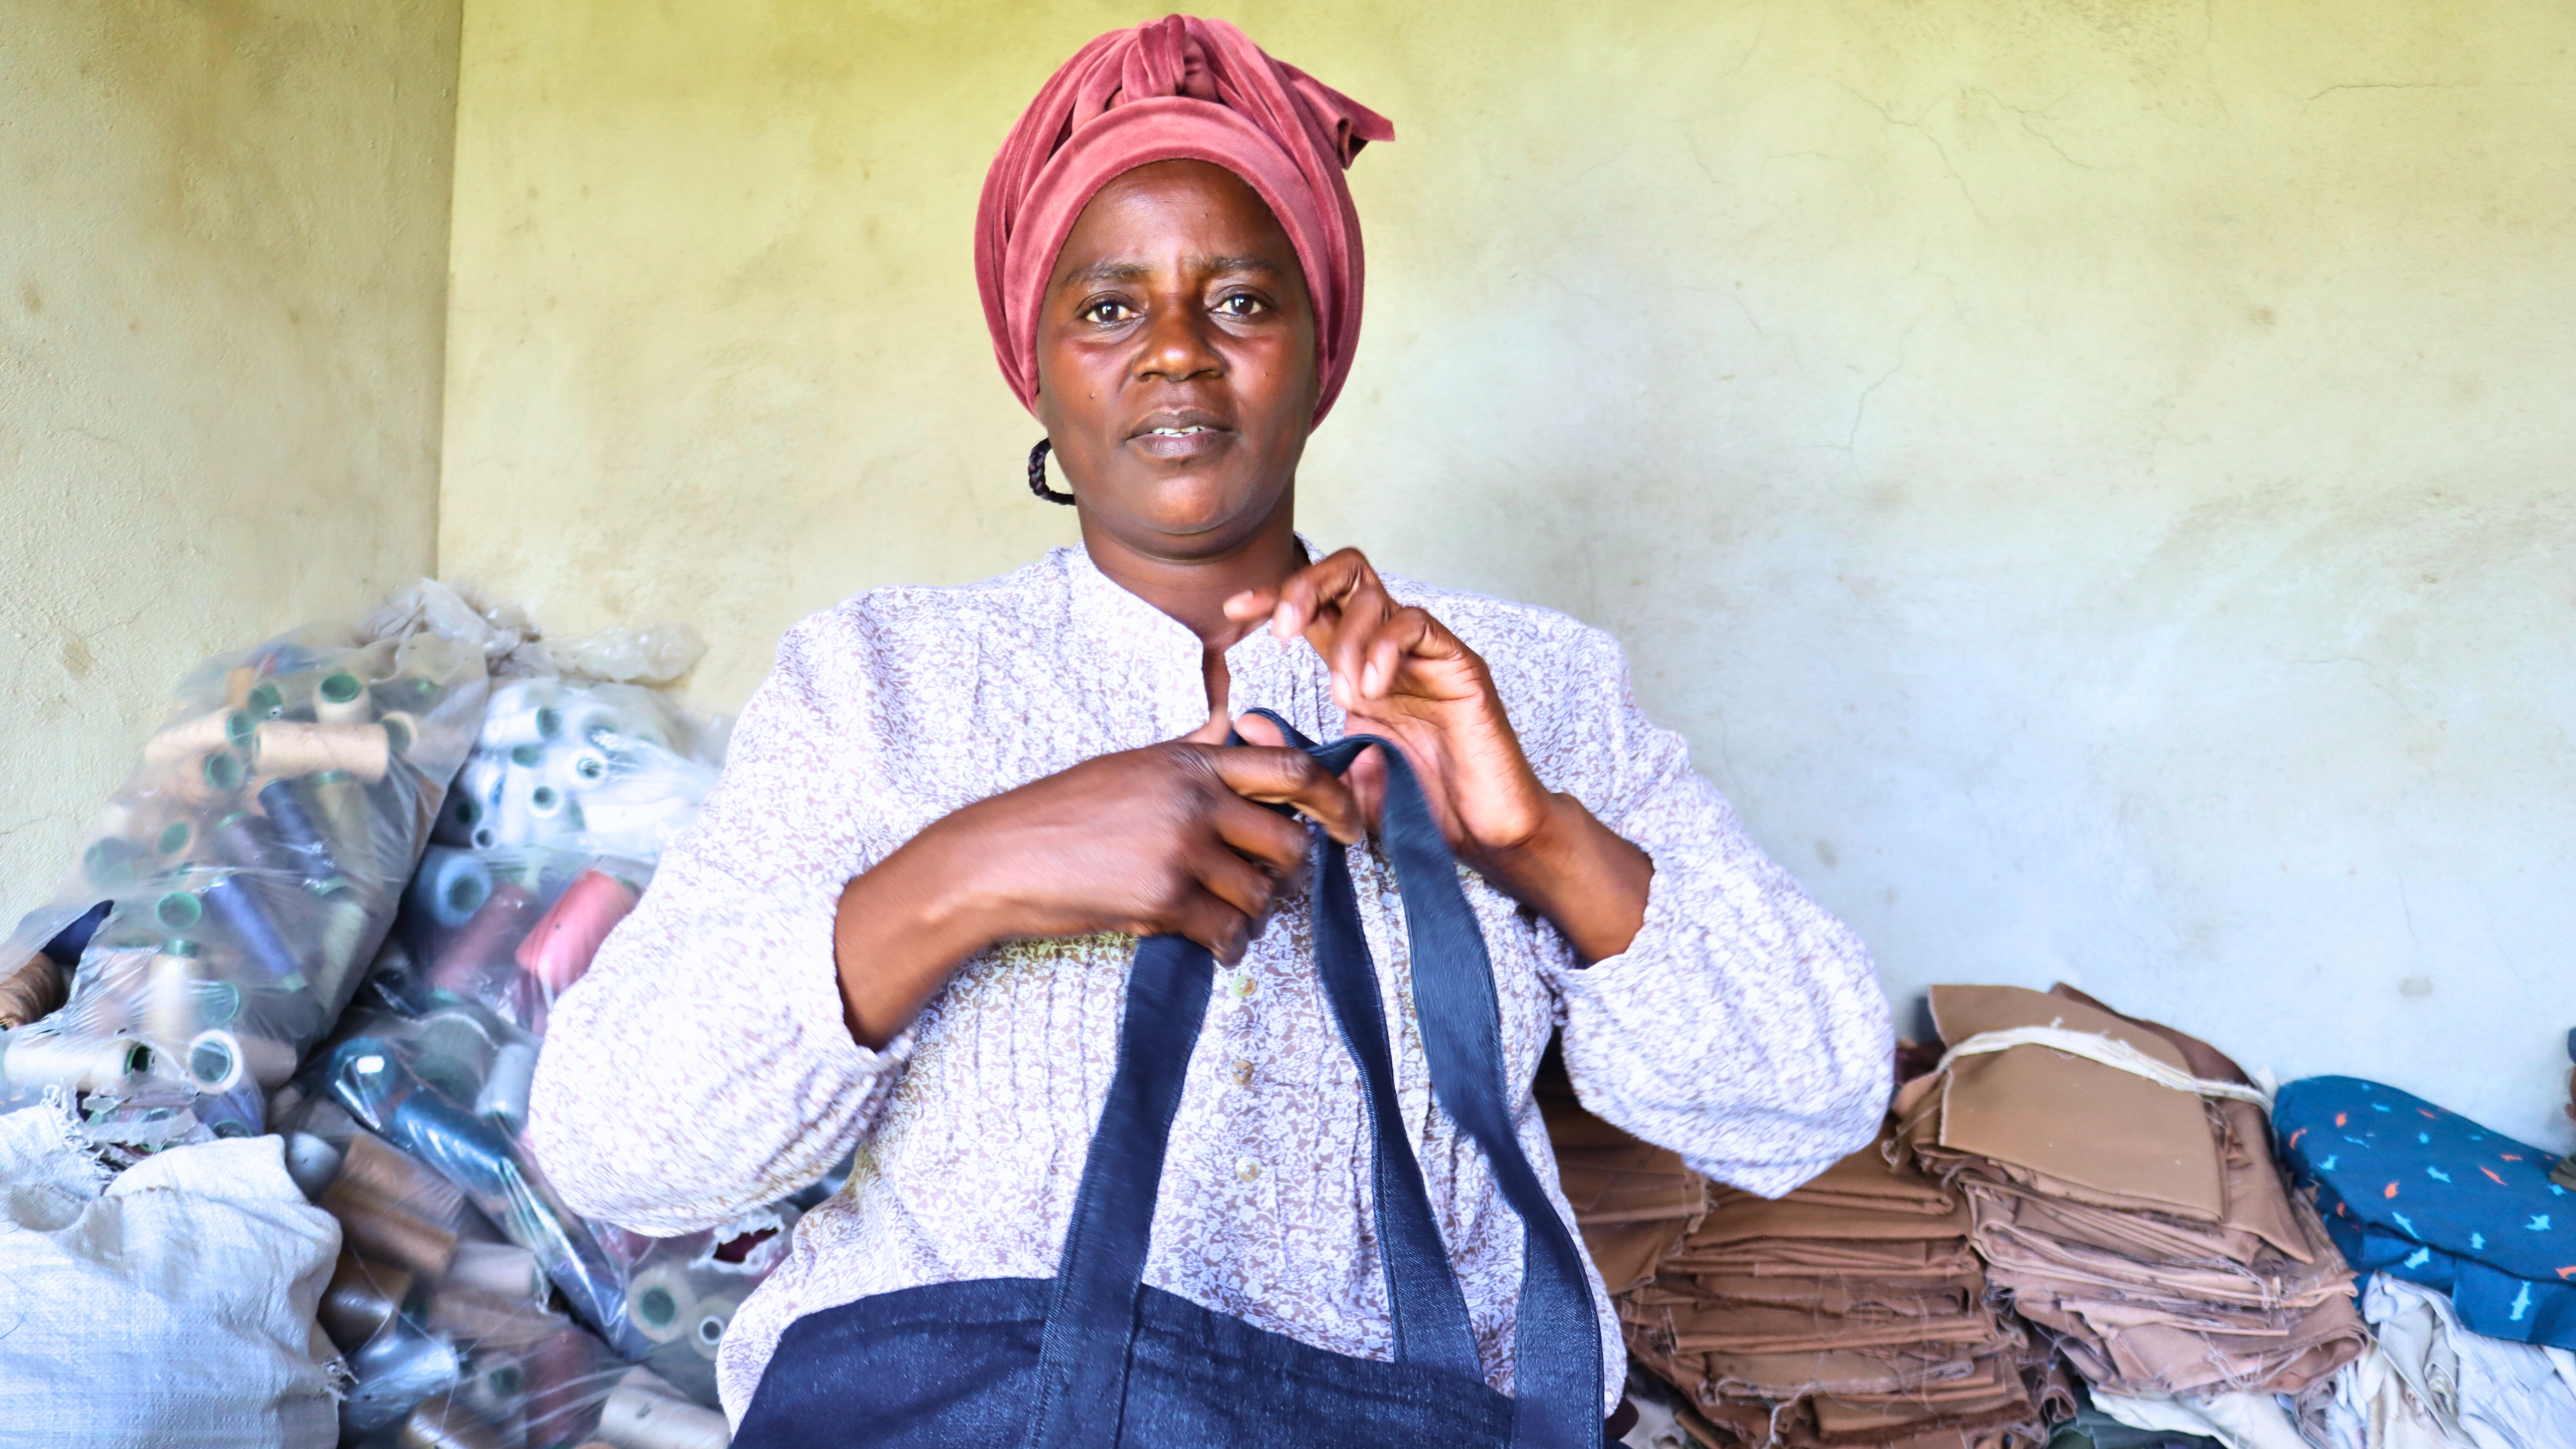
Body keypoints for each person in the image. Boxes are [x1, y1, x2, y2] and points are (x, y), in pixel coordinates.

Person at [528, 13, 1892, 1440]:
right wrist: (971, 875)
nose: (1177, 354)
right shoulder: (882, 682)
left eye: (1241, 301)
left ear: (1321, 355)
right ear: (1034, 364)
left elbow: (1814, 1094)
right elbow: (617, 1146)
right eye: (1110, 308)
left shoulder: (1528, 684)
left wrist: (1535, 836)